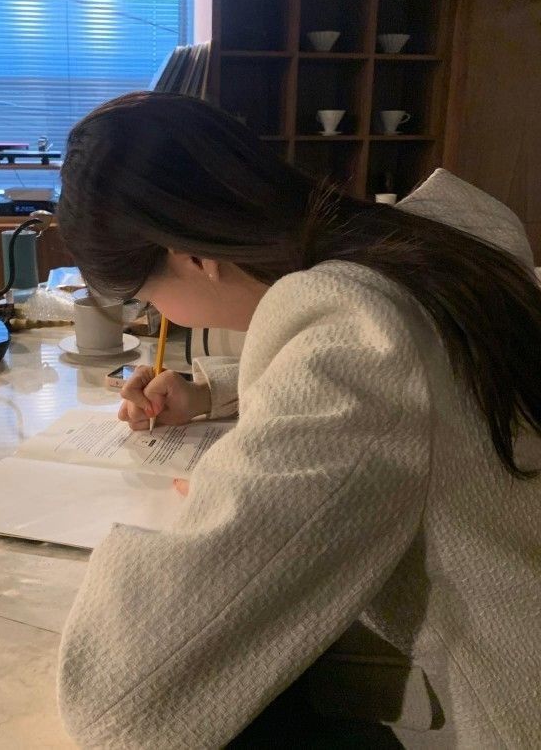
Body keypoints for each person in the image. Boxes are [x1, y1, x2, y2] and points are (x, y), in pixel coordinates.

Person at [56, 92, 541, 749]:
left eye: (148, 298)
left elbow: (125, 690)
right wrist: (207, 390)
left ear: (191, 255)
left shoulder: (356, 338)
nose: (163, 318)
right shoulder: (425, 242)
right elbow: (421, 380)